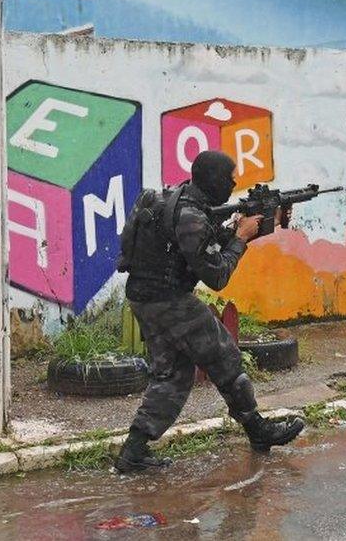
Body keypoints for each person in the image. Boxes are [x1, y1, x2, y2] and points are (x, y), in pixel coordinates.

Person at [114, 150, 304, 473]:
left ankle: (133, 452)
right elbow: (216, 275)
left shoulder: (177, 197)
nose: (234, 184)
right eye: (230, 179)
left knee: (173, 375)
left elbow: (203, 245)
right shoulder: (192, 217)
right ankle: (258, 431)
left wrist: (256, 225)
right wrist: (242, 237)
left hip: (144, 297)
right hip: (167, 299)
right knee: (225, 355)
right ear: (215, 181)